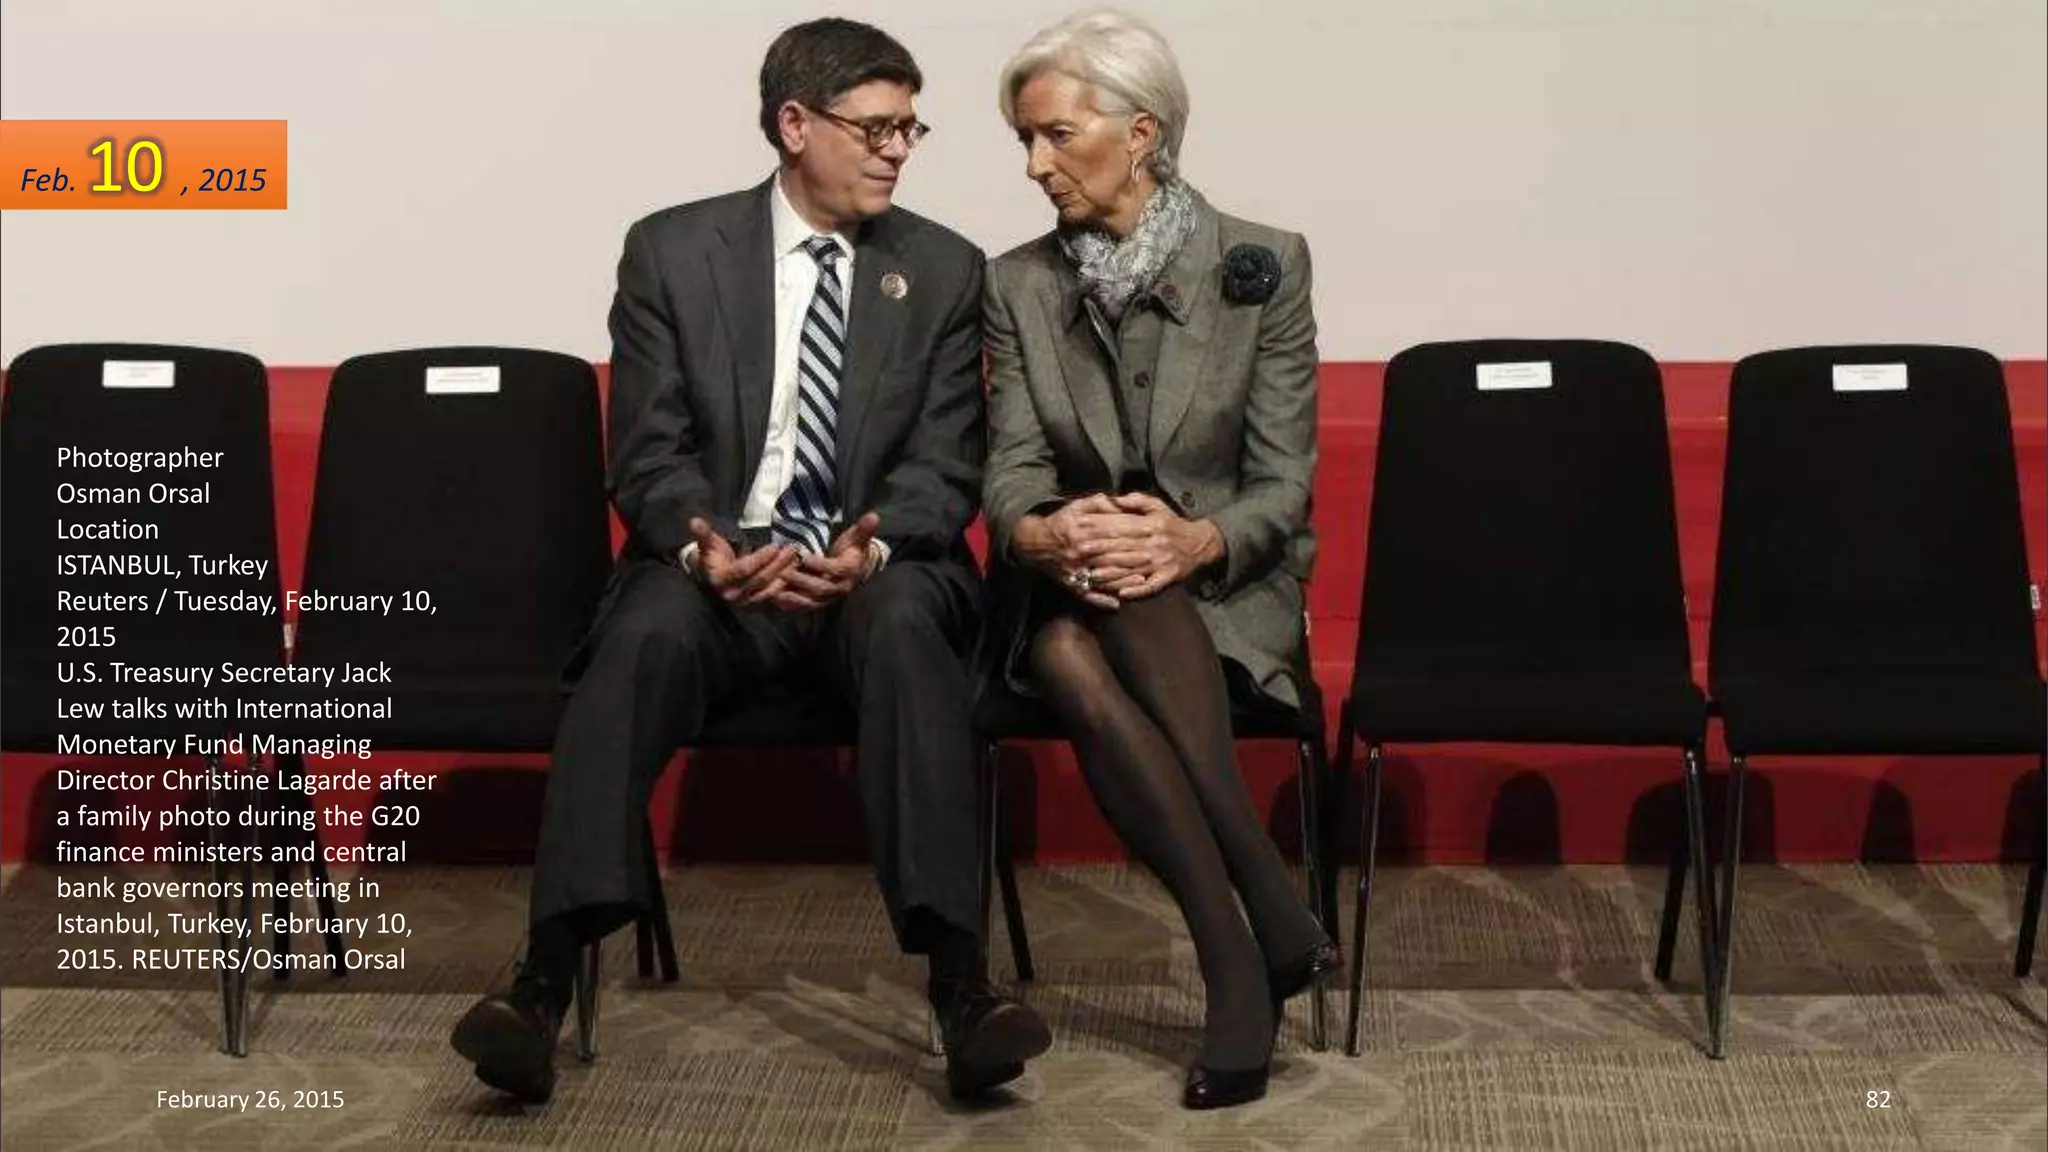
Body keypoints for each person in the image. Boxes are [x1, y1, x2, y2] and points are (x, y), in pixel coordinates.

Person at [451, 17, 1050, 1106]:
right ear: (792, 124)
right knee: (637, 635)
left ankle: (961, 985)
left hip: (872, 572)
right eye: (872, 128)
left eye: (908, 128)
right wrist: (701, 543)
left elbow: (943, 466)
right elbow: (646, 449)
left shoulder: (943, 266)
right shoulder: (673, 252)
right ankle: (540, 981)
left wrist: (869, 549)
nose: (895, 150)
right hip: (719, 575)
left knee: (910, 624)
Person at [982, 10, 1337, 1110]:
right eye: (1023, 143)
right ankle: (1255, 930)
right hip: (1070, 584)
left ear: (1139, 133)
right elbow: (1007, 474)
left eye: (1052, 135)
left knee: (1095, 643)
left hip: (1228, 591)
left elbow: (1282, 483)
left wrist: (1192, 538)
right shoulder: (1015, 285)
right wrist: (1043, 533)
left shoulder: (1262, 265)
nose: (1034, 165)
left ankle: (1241, 957)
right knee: (1078, 636)